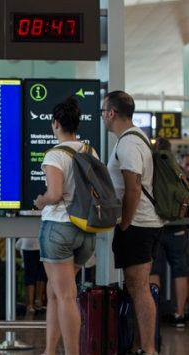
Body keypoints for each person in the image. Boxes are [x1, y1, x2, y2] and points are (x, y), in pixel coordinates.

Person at [34, 97, 97, 355]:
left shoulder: (55, 154)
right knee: (55, 291)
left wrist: (41, 201)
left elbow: (56, 193)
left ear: (56, 123)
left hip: (59, 228)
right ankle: (50, 350)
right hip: (85, 232)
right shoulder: (89, 151)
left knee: (66, 295)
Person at [103, 90, 163, 355]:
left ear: (112, 112)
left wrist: (125, 224)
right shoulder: (136, 139)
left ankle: (148, 349)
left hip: (138, 225)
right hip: (143, 223)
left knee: (139, 288)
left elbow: (133, 189)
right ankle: (142, 346)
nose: (103, 117)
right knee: (137, 286)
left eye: (103, 111)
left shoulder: (128, 144)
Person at [149, 137, 188, 327]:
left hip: (156, 225)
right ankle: (179, 314)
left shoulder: (152, 166)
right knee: (180, 270)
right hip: (178, 226)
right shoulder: (177, 168)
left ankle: (153, 315)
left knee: (153, 269)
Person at [16, 237, 47, 315]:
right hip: (42, 244)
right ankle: (38, 300)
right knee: (41, 274)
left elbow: (17, 245)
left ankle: (30, 305)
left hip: (27, 244)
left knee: (29, 275)